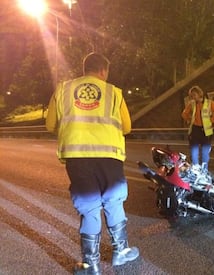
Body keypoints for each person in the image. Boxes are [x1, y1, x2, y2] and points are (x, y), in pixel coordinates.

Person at [45, 53, 139, 274]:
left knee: (89, 208)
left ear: (84, 69)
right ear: (103, 71)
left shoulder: (63, 89)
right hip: (109, 156)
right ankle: (120, 252)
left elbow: (50, 125)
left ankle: (91, 265)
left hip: (78, 157)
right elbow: (126, 127)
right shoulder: (113, 92)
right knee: (114, 201)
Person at [181, 85, 214, 170]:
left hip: (206, 131)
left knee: (205, 153)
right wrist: (190, 119)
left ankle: (204, 170)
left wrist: (211, 120)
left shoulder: (209, 103)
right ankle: (196, 169)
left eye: (194, 95)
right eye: (191, 95)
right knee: (194, 152)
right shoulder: (191, 104)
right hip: (195, 130)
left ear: (199, 94)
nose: (192, 97)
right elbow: (184, 114)